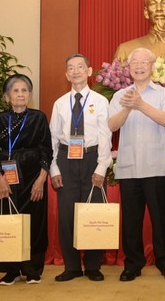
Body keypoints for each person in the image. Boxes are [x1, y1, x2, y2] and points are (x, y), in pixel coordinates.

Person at [108, 47, 165, 282]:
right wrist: (129, 106)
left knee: (161, 219)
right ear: (128, 69)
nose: (139, 66)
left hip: (157, 167)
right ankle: (133, 264)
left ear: (152, 66)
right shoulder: (120, 96)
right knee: (131, 221)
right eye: (134, 63)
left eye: (143, 62)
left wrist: (141, 104)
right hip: (128, 167)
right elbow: (112, 126)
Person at [49, 54, 112, 282]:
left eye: (80, 67)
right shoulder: (60, 103)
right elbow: (53, 139)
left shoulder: (100, 101)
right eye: (70, 68)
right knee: (67, 215)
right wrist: (54, 169)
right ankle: (72, 266)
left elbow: (106, 136)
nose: (75, 71)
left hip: (92, 159)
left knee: (93, 212)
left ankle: (93, 265)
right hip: (66, 160)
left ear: (89, 71)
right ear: (66, 74)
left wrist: (102, 167)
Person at [0, 74, 52, 285]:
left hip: (33, 175)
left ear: (30, 95)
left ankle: (32, 269)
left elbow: (46, 150)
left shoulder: (39, 117)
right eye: (16, 90)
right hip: (8, 176)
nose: (21, 94)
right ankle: (11, 270)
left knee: (35, 221)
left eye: (25, 90)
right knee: (9, 219)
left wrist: (41, 179)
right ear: (7, 97)